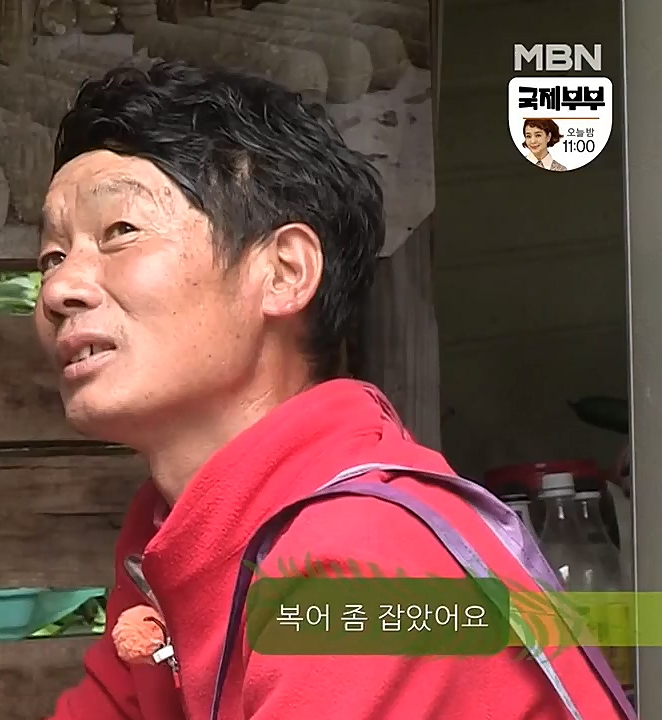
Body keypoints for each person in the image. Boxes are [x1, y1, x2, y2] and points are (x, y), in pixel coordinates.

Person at [35, 61, 627, 719]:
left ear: (284, 272)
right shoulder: (174, 537)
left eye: (120, 232)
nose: (59, 289)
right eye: (53, 256)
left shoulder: (360, 560)